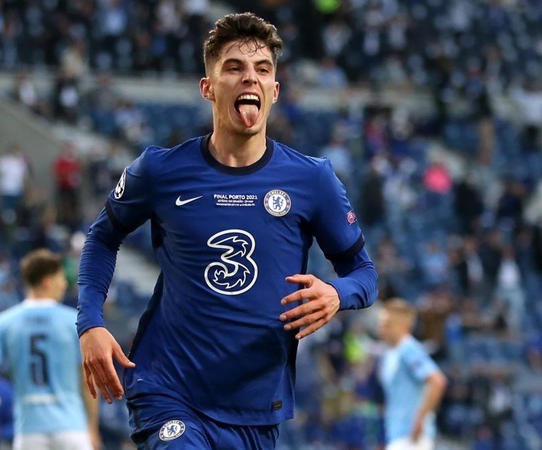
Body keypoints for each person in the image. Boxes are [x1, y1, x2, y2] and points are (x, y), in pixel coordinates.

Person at [77, 12, 378, 449]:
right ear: (208, 87)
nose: (250, 78)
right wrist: (90, 322)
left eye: (262, 70)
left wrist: (337, 293)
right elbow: (102, 237)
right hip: (168, 390)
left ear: (274, 90)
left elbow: (364, 273)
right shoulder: (160, 170)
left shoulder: (312, 180)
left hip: (255, 407)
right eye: (234, 67)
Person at [0, 249, 100, 450]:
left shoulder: (3, 323)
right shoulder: (74, 322)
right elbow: (87, 380)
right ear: (47, 282)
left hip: (29, 432)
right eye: (60, 279)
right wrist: (92, 427)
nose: (64, 284)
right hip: (72, 430)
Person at [376, 299, 447, 450]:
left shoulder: (409, 349)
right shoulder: (390, 354)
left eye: (387, 324)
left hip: (412, 438)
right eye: (381, 324)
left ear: (402, 326)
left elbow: (437, 381)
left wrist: (420, 420)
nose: (381, 330)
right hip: (396, 434)